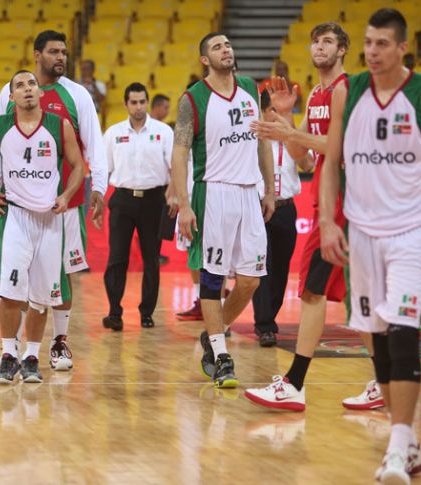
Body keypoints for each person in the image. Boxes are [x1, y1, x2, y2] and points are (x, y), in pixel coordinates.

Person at [325, 9, 421, 483]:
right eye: (368, 42)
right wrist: (327, 221)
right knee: (380, 344)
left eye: (382, 43)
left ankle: (395, 448)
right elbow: (331, 162)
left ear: (403, 48)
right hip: (362, 235)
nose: (372, 51)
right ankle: (407, 442)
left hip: (411, 233)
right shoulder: (348, 92)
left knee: (404, 334)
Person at [245, 22, 383, 411]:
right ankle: (386, 380)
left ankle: (294, 383)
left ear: (342, 50)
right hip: (332, 202)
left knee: (312, 291)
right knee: (357, 296)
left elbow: (340, 147)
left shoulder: (345, 90)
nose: (319, 47)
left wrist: (289, 132)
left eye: (328, 42)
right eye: (315, 42)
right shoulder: (319, 94)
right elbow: (303, 159)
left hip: (344, 203)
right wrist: (287, 121)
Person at [0, 30, 108, 371]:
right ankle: (12, 349)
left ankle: (59, 342)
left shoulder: (77, 95)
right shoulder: (8, 93)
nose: (61, 57)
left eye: (64, 52)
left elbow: (94, 144)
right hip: (17, 203)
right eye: (54, 52)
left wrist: (98, 187)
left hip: (63, 202)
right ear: (37, 54)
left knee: (62, 272)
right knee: (16, 275)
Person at [169, 32, 276, 389]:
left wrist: (270, 189)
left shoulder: (250, 88)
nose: (226, 50)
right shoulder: (193, 99)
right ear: (205, 59)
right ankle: (221, 354)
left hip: (249, 192)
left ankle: (213, 335)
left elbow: (261, 141)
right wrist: (185, 205)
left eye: (227, 45)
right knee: (213, 280)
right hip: (213, 192)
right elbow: (179, 155)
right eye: (217, 47)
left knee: (250, 281)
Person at [0, 70, 86, 384]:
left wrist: (67, 195)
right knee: (10, 292)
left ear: (41, 93)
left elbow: (78, 166)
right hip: (16, 216)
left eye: (31, 84)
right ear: (11, 96)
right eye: (20, 85)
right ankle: (7, 355)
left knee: (41, 296)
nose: (27, 89)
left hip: (49, 219)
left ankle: (30, 357)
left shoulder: (59, 125)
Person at [101, 83, 174, 330]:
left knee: (151, 259)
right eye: (134, 102)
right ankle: (114, 312)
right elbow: (103, 169)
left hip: (154, 200)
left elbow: (176, 167)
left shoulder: (164, 132)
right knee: (117, 258)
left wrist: (175, 195)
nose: (139, 107)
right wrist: (97, 197)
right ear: (126, 104)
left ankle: (147, 313)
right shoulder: (113, 133)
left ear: (147, 102)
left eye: (142, 101)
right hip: (122, 199)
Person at [251, 88, 314, 347]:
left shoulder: (292, 138)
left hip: (287, 208)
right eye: (272, 110)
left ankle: (270, 318)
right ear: (263, 112)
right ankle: (264, 324)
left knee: (280, 269)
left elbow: (308, 165)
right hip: (259, 208)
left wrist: (290, 134)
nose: (277, 115)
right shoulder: (253, 137)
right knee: (261, 267)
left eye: (280, 111)